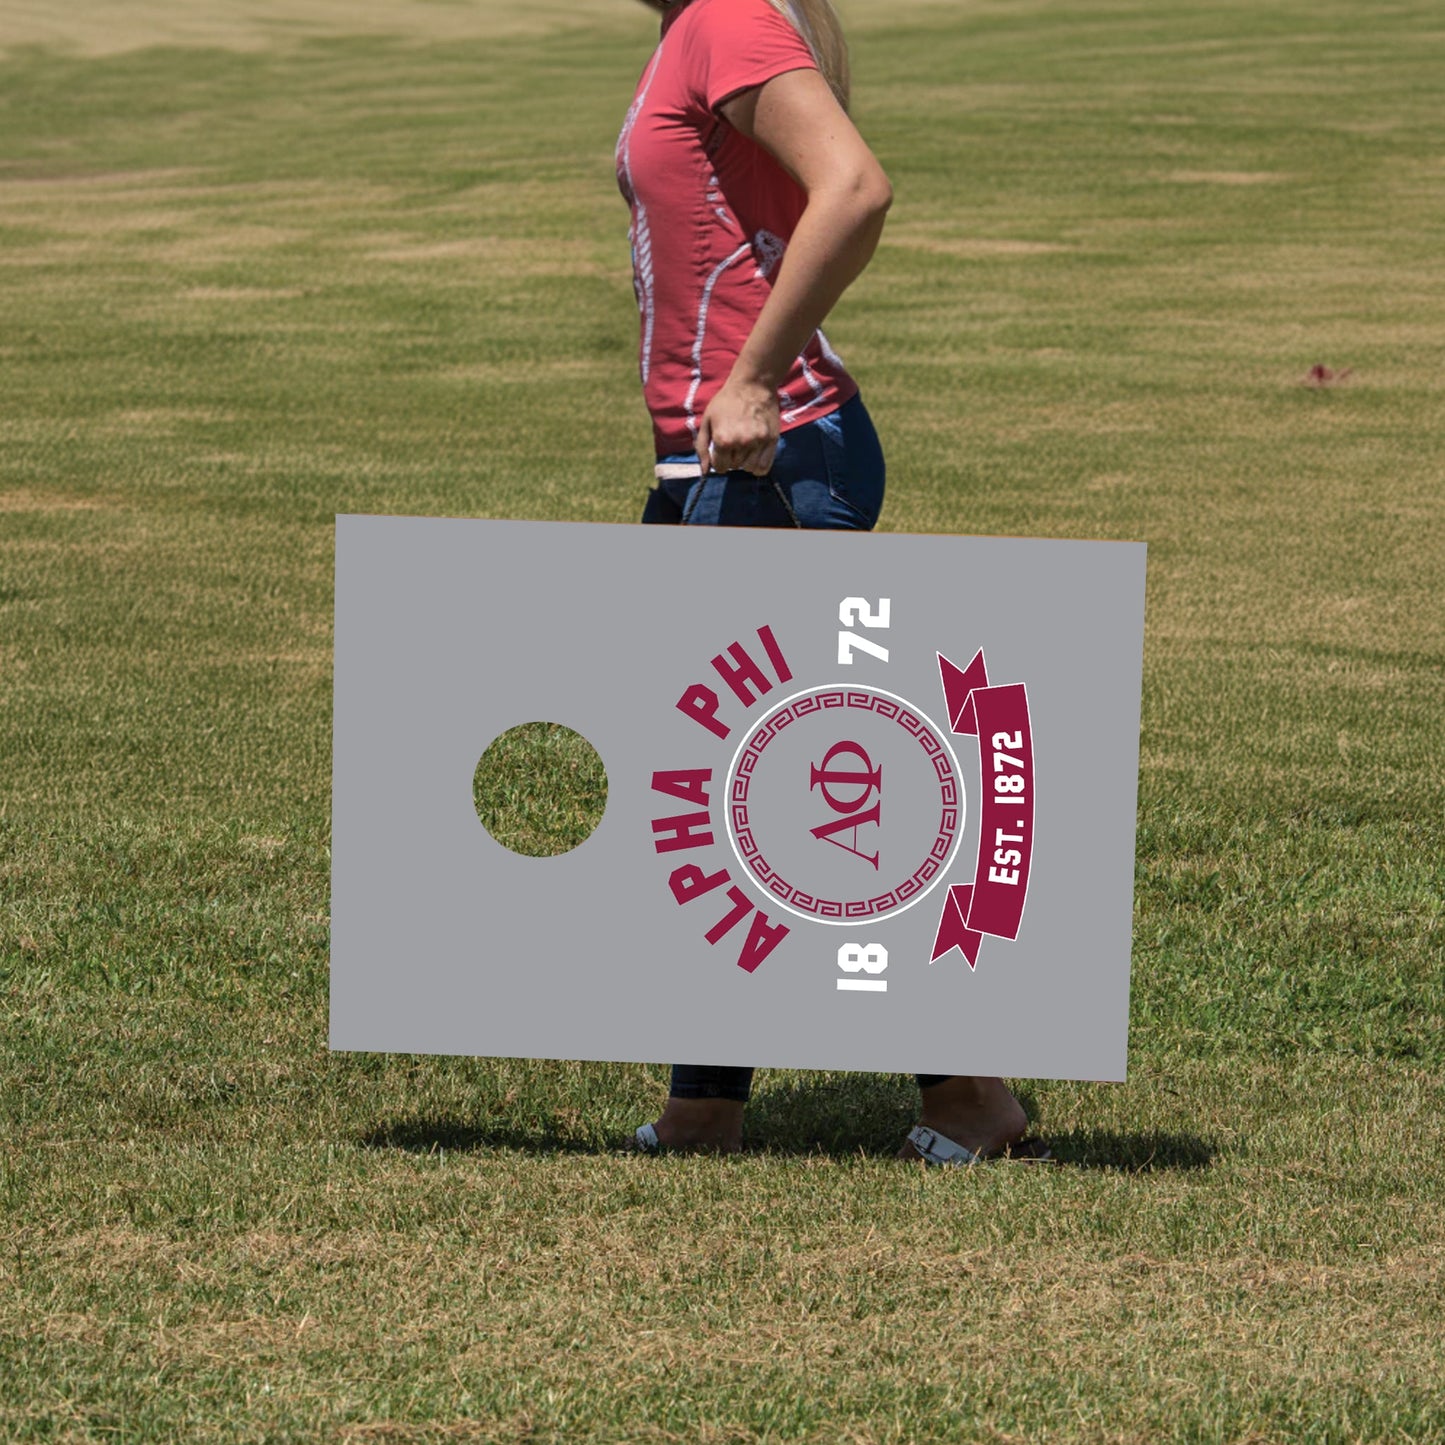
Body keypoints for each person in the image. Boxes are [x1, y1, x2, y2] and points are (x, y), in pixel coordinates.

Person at [618, 0, 1049, 1164]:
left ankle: (969, 1089)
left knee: (798, 789)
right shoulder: (690, 28)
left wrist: (751, 377)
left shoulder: (721, 17)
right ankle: (704, 1106)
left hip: (769, 457)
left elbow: (853, 188)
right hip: (717, 461)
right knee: (717, 789)